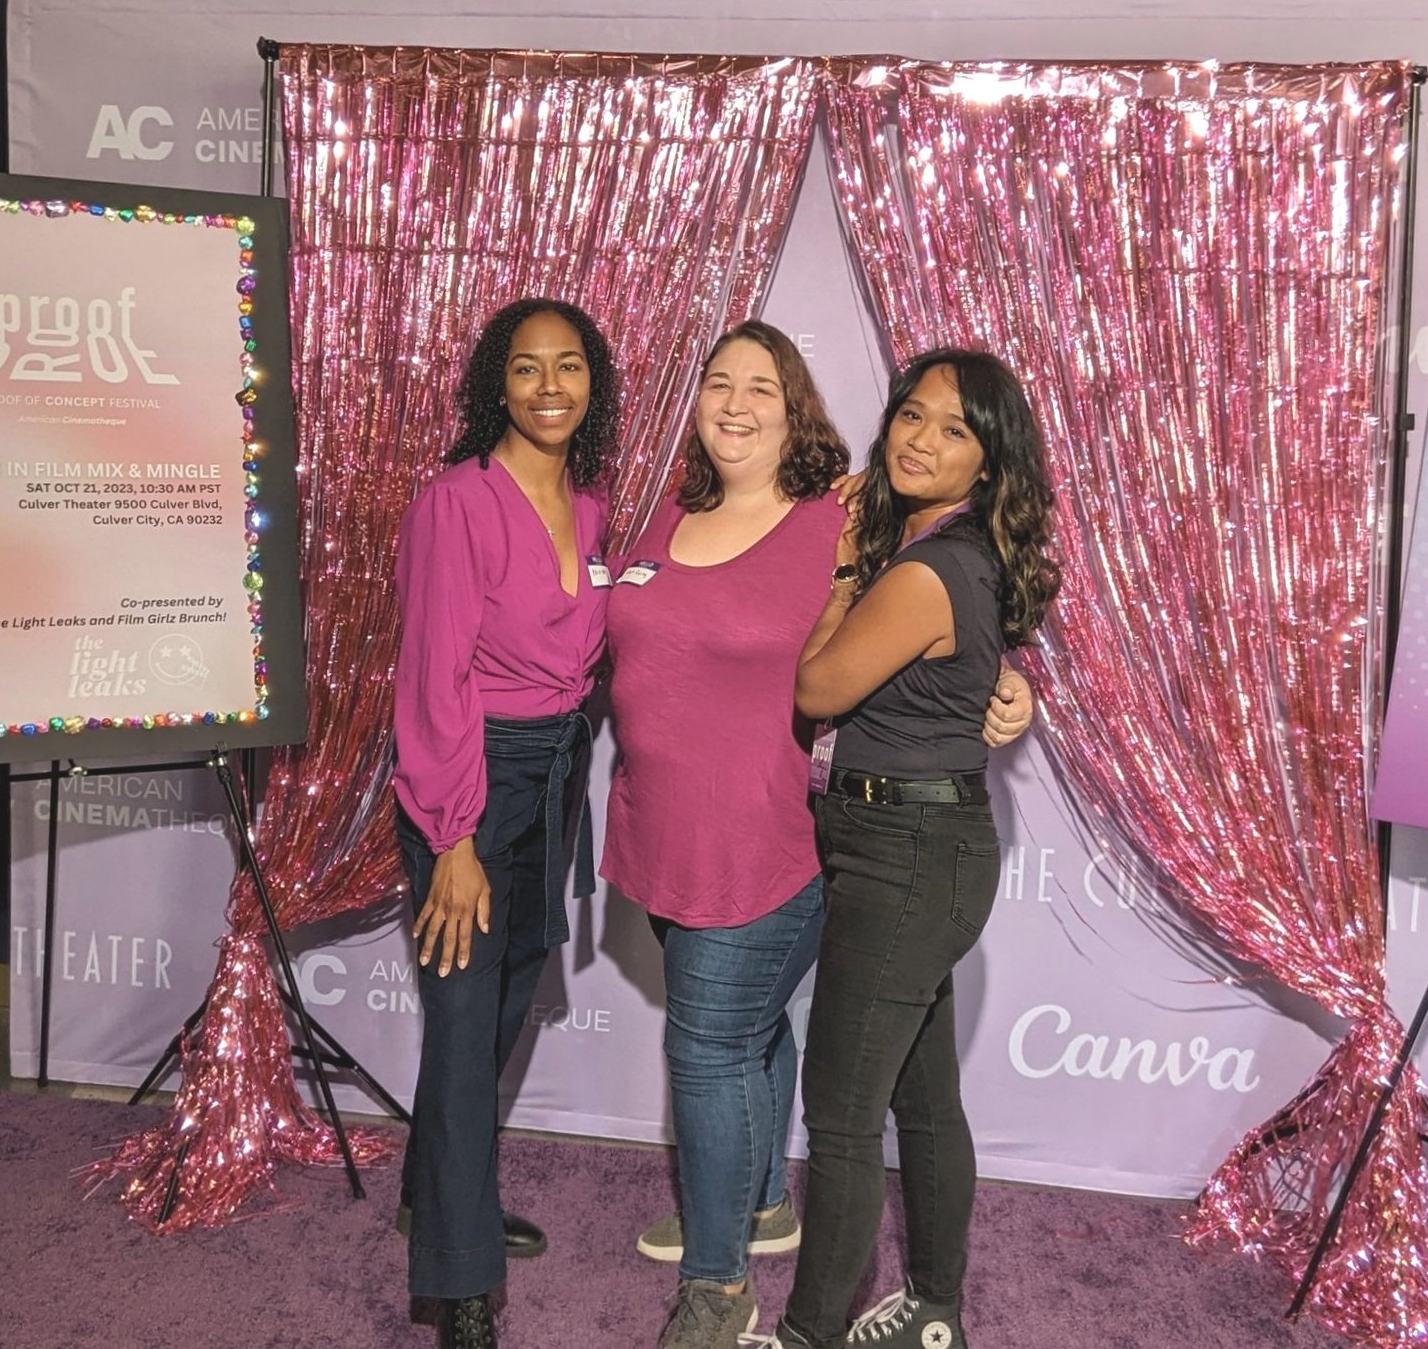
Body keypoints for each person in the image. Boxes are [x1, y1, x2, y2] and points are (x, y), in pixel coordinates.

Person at [601, 322, 1033, 1349]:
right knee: (751, 1029)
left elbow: (931, 625)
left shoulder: (836, 521)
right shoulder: (664, 513)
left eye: (762, 387)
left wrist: (1008, 688)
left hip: (768, 841)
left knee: (709, 1048)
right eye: (717, 383)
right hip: (660, 835)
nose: (735, 404)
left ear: (798, 411)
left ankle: (718, 1287)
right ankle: (758, 1205)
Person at [759, 349, 1059, 1349]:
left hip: (905, 856)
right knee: (923, 1099)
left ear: (988, 461)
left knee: (842, 1117)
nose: (920, 440)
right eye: (911, 415)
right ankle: (934, 1308)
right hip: (919, 848)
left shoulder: (928, 568)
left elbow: (816, 690)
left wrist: (847, 568)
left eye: (954, 429)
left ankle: (807, 1334)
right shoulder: (946, 545)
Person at [391, 297, 619, 1349]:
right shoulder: (456, 503)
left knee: (500, 998)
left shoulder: (591, 504)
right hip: (470, 777)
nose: (548, 387)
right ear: (497, 384)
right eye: (525, 369)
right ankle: (460, 1282)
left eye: (567, 366)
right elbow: (434, 679)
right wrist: (452, 838)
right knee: (461, 1016)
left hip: (556, 773)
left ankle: (440, 1194)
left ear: (591, 381)